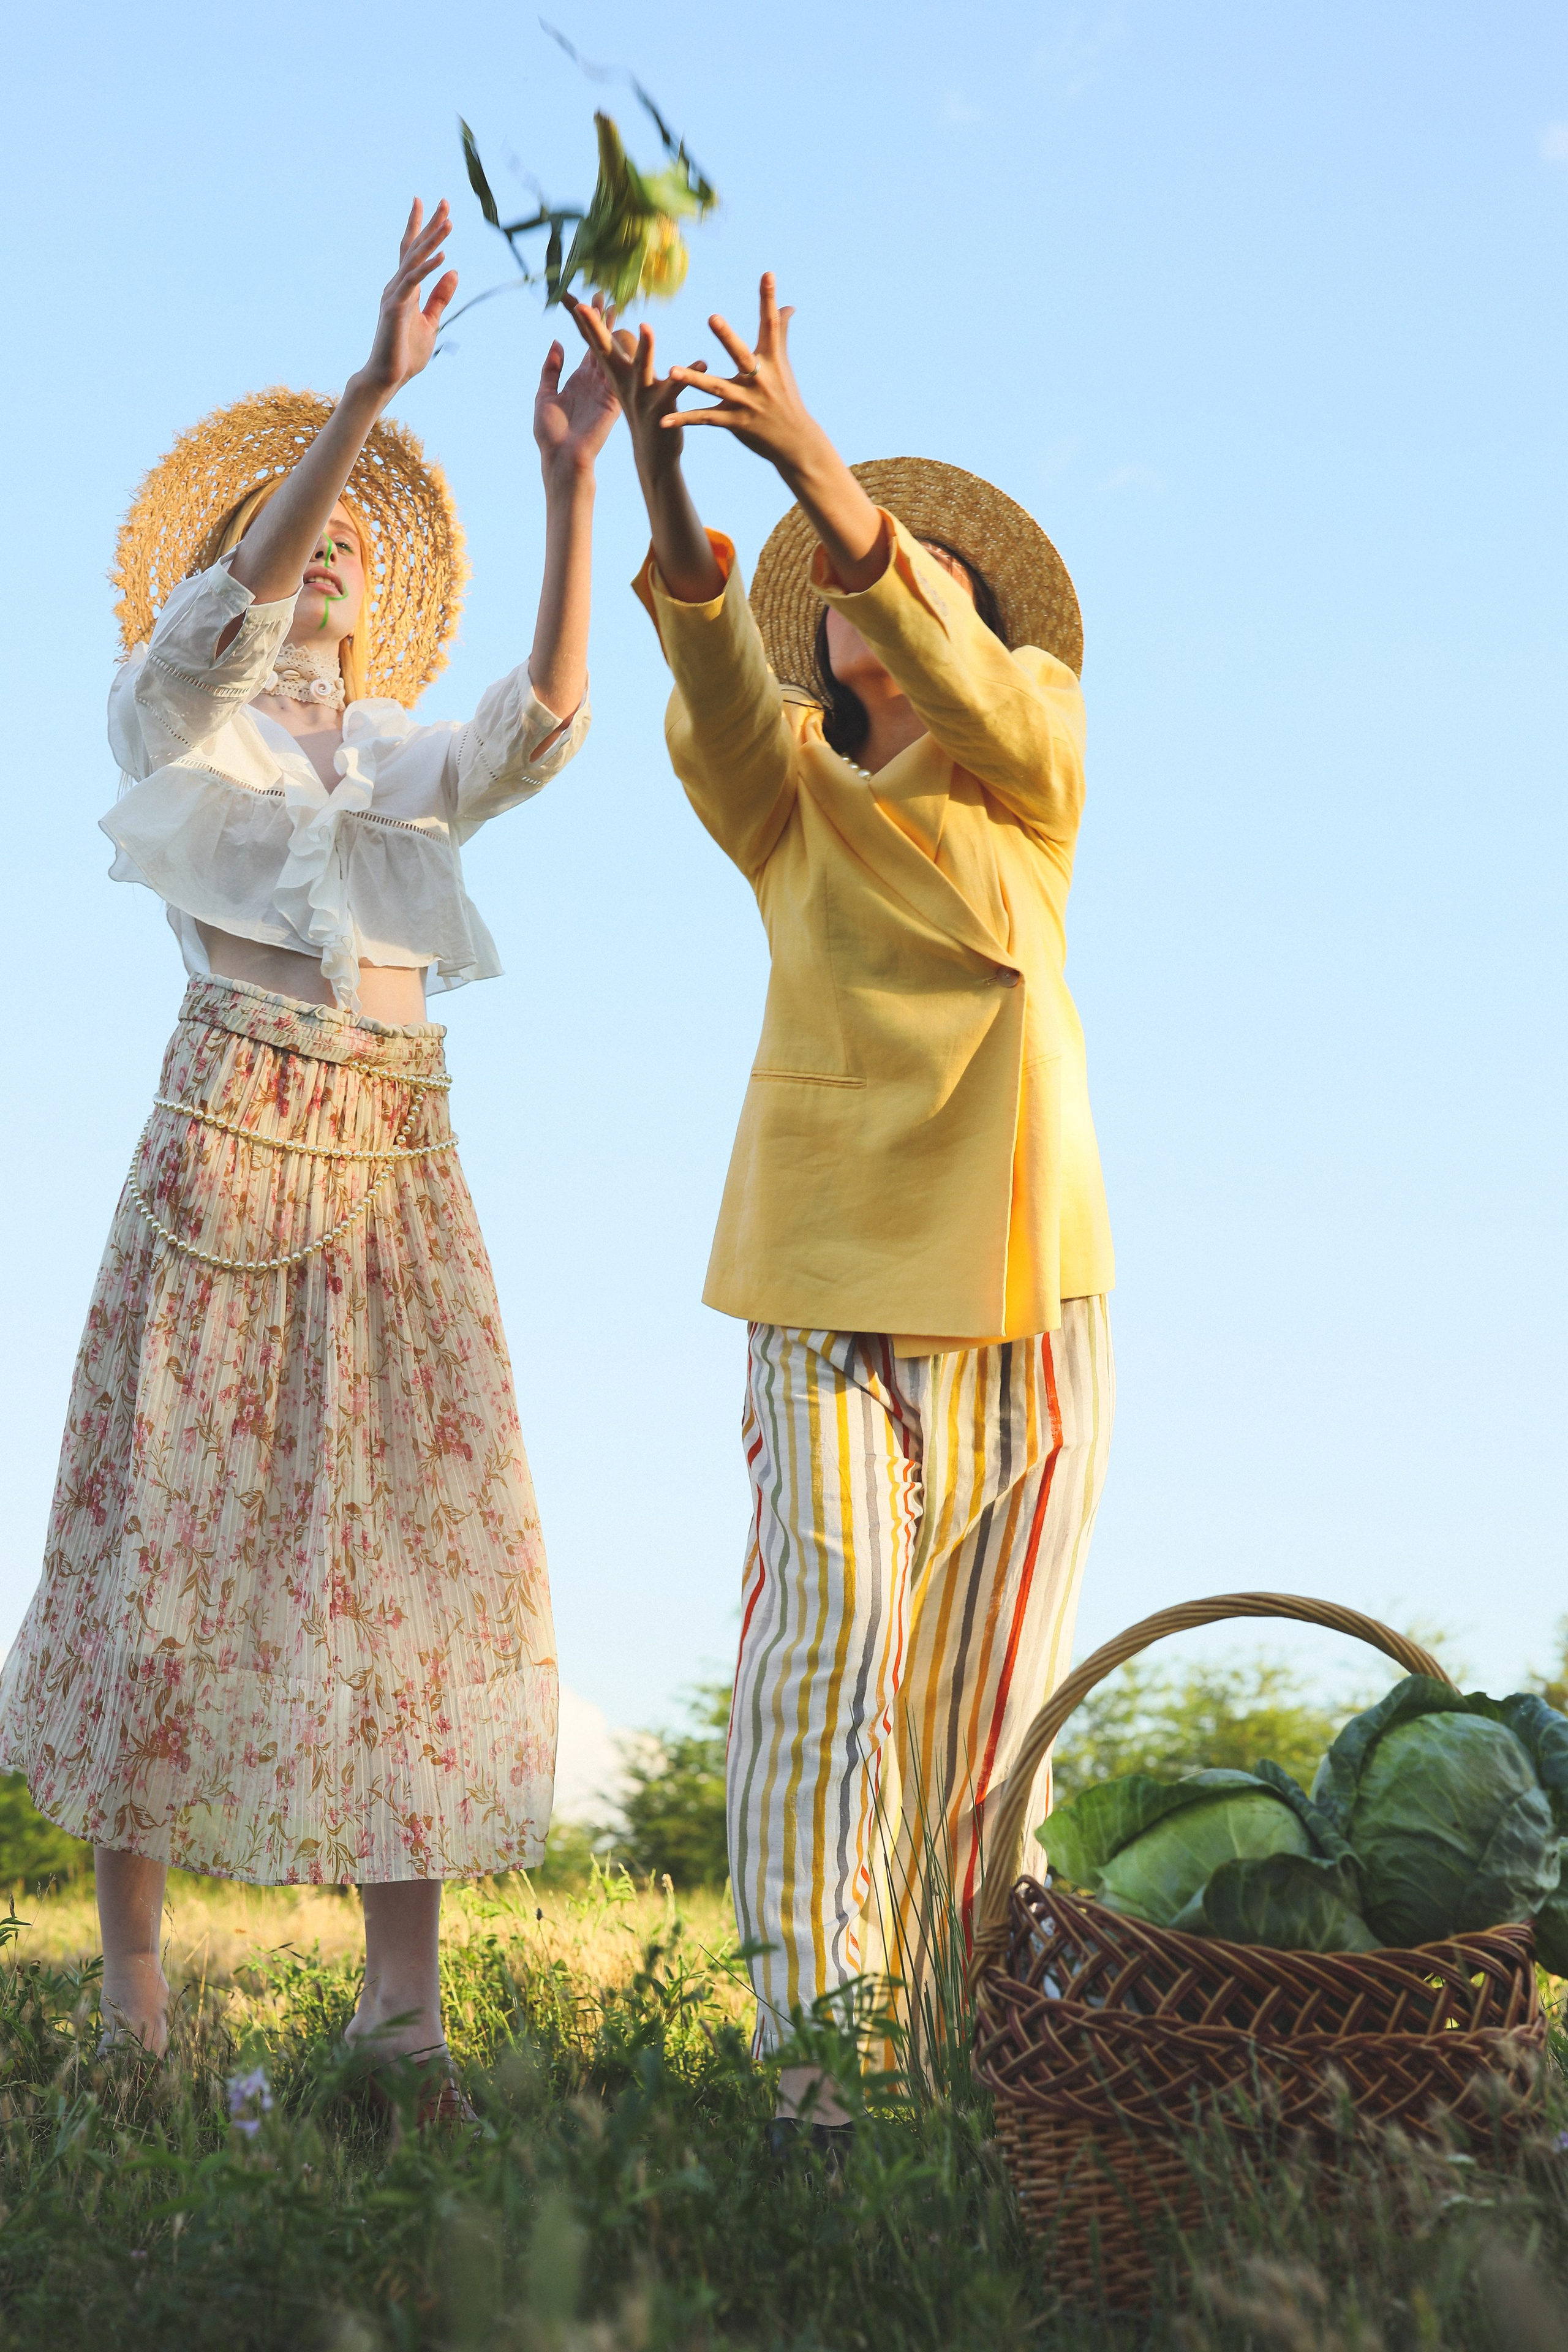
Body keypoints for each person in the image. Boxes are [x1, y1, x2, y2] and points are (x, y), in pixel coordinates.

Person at [0, 200, 621, 2113]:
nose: (331, 549)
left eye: (350, 535)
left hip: (402, 1173)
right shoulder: (182, 738)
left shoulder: (387, 770)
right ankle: (130, 2009)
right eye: (299, 534)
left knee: (420, 1566)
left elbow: (543, 732)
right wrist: (359, 398)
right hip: (231, 1160)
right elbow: (218, 633)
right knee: (165, 1558)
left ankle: (399, 2022)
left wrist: (568, 484)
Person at [572, 277, 1115, 2128]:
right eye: (860, 583)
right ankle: (822, 2088)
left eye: (922, 574)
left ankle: (964, 2088)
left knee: (978, 1732)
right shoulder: (789, 795)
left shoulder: (1036, 761)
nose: (892, 594)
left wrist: (815, 455)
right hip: (827, 1288)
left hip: (1033, 1300)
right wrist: (664, 487)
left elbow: (995, 696)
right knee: (832, 1649)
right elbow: (713, 675)